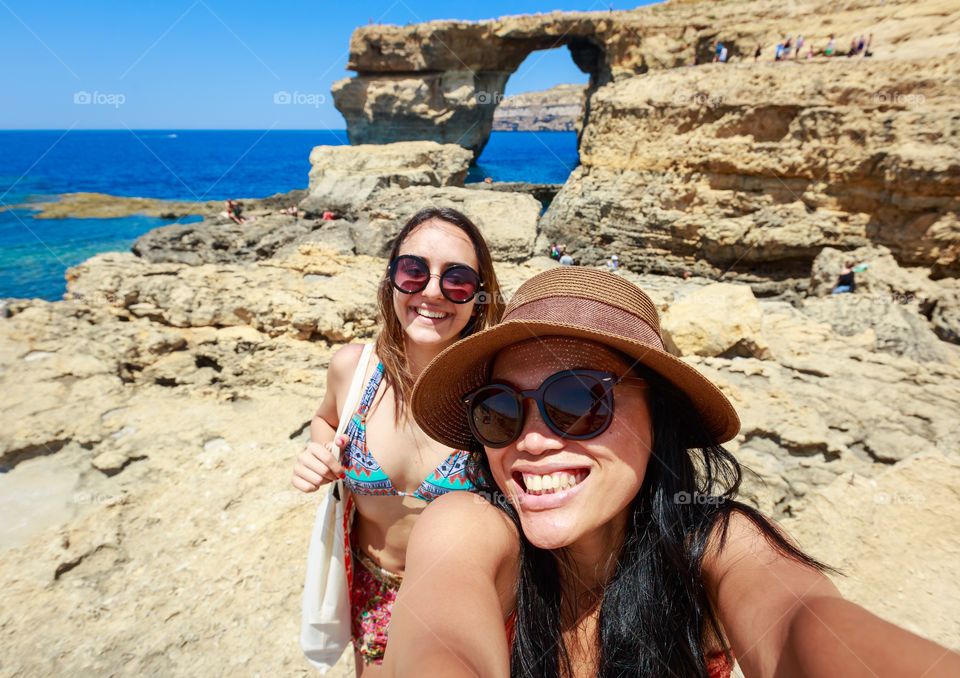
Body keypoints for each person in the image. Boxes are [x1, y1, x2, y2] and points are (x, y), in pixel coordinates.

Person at [383, 267, 960, 678]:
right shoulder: (466, 523)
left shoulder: (717, 544)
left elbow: (801, 629)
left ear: (658, 416)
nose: (531, 440)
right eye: (500, 409)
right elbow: (442, 644)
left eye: (578, 401)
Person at [291, 206, 504, 672]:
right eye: (413, 271)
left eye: (458, 279)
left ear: (479, 297)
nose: (431, 291)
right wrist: (319, 452)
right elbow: (327, 419)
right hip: (370, 586)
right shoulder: (353, 368)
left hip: (459, 603)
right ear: (391, 280)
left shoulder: (497, 394)